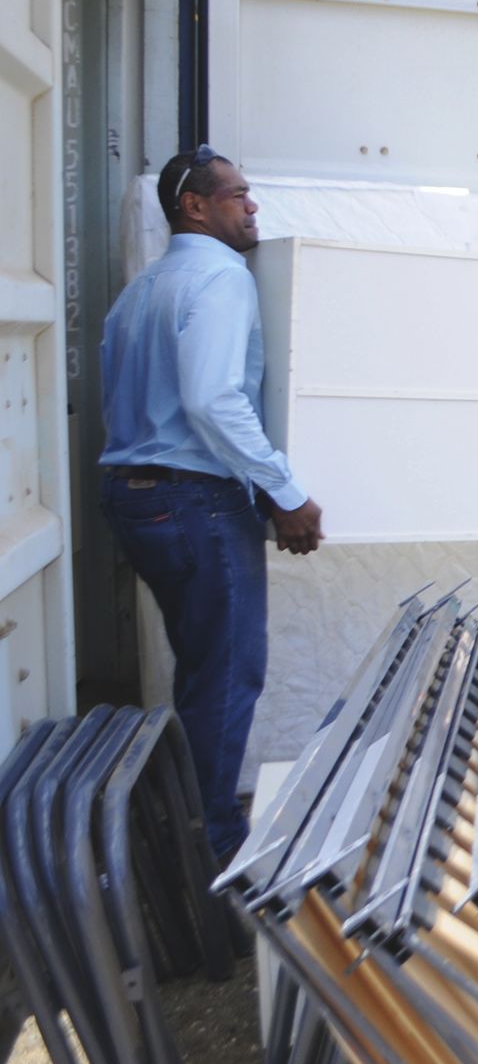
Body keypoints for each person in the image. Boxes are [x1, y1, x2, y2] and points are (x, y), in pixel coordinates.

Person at [99, 146, 326, 862]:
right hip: (194, 499)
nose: (252, 205)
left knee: (202, 671)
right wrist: (285, 492)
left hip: (137, 498)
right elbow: (212, 399)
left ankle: (181, 828)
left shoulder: (142, 288)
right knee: (226, 678)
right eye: (236, 194)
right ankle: (212, 854)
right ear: (193, 206)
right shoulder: (222, 277)